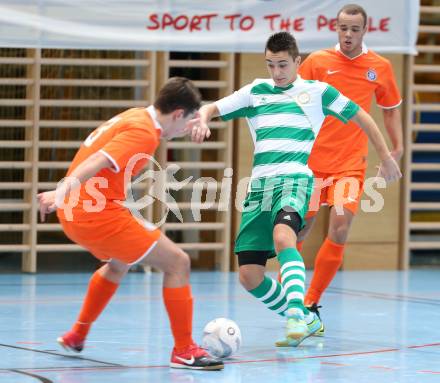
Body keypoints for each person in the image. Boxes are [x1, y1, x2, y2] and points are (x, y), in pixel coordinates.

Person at [191, 31, 401, 347]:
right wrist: (203, 119)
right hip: (259, 188)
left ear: (297, 62)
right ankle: (305, 316)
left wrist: (386, 156)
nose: (276, 73)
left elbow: (362, 117)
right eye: (271, 65)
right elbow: (212, 108)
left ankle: (294, 316)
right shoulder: (255, 92)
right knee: (249, 275)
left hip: (296, 180)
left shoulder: (317, 92)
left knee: (283, 236)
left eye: (283, 65)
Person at [37, 77, 223, 371]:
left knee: (118, 264)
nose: (185, 128)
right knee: (178, 263)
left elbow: (99, 157)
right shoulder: (143, 132)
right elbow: (98, 160)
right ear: (177, 114)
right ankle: (185, 350)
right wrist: (61, 191)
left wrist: (198, 121)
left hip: (78, 213)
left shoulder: (136, 115)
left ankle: (77, 335)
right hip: (94, 213)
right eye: (186, 120)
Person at [296, 3, 404, 329]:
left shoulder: (379, 66)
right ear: (336, 28)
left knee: (341, 229)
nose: (348, 34)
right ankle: (292, 299)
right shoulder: (317, 62)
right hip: (312, 162)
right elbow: (294, 100)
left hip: (350, 164)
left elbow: (390, 109)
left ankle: (311, 303)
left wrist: (396, 147)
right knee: (300, 227)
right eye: (343, 28)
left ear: (364, 30)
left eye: (354, 29)